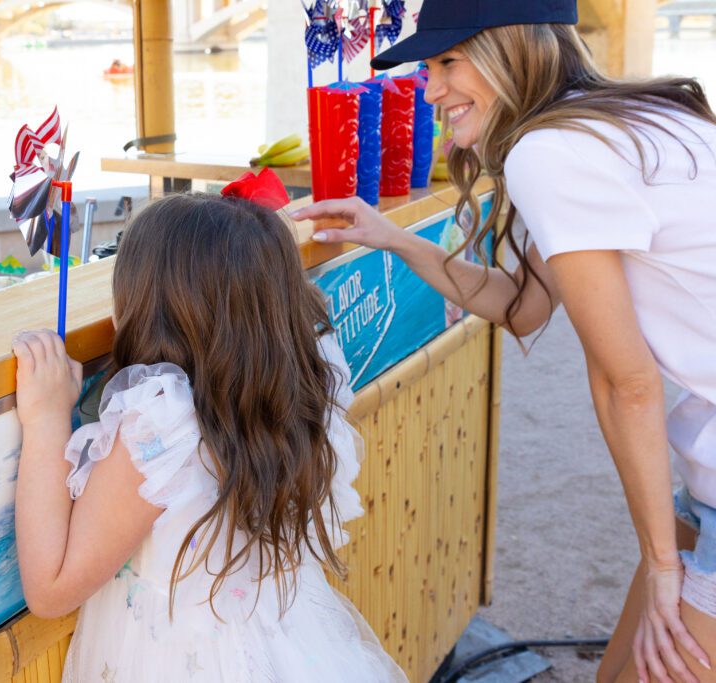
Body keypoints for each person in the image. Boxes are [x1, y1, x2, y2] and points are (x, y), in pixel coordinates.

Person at [292, 1, 716, 681]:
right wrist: (394, 237)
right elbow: (523, 306)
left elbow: (626, 382)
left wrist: (663, 564)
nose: (431, 90)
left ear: (509, 48)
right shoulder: (625, 119)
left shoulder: (552, 153)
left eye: (448, 61)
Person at [11, 193, 408, 682]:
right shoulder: (301, 382)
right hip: (281, 651)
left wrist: (46, 417)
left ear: (152, 308)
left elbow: (51, 589)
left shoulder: (159, 430)